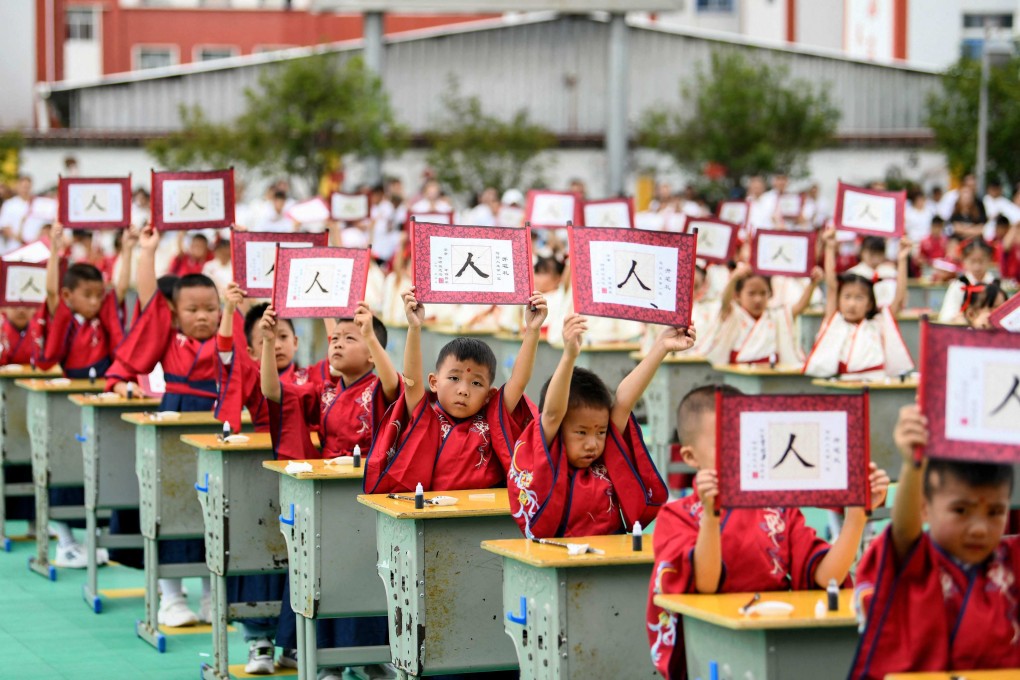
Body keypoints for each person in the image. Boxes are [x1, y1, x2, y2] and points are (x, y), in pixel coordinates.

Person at [646, 385, 889, 680]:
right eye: (726, 445)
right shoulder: (678, 516)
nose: (740, 454)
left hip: (779, 638)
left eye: (749, 443)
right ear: (690, 456)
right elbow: (706, 585)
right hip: (716, 644)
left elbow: (827, 577)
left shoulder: (779, 508)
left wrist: (856, 514)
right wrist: (711, 517)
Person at [260, 303, 399, 679]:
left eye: (348, 338)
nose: (336, 344)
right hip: (329, 496)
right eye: (333, 338)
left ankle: (373, 654)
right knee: (328, 573)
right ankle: (329, 662)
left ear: (373, 352)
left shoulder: (382, 388)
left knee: (367, 572)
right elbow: (274, 393)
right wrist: (267, 343)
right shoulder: (324, 389)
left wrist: (369, 332)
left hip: (371, 495)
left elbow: (394, 385)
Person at [104, 226, 226, 628]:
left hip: (218, 423)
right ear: (174, 313)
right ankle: (171, 597)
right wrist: (147, 250)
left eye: (211, 308)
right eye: (192, 310)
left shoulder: (229, 338)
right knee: (170, 503)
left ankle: (213, 595)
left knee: (215, 509)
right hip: (173, 421)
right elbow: (148, 298)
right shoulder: (167, 333)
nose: (203, 316)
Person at [848, 406, 1020, 678]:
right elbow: (903, 531)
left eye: (995, 512)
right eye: (960, 510)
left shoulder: (1011, 562)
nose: (979, 528)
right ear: (925, 508)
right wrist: (913, 463)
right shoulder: (916, 561)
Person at [507, 315, 685, 538]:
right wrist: (569, 356)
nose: (593, 444)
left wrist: (661, 347)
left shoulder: (605, 454)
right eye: (581, 433)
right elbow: (552, 413)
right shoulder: (548, 451)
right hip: (558, 558)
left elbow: (623, 402)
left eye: (600, 432)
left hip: (610, 557)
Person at [363, 286, 546, 493]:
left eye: (476, 383)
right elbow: (411, 379)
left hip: (485, 513)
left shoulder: (493, 418)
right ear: (433, 382)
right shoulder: (426, 419)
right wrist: (414, 328)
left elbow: (518, 381)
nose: (463, 390)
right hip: (436, 513)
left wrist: (532, 330)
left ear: (489, 395)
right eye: (454, 378)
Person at [803, 229, 913, 380]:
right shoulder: (834, 321)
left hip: (875, 385)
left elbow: (899, 295)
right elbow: (831, 286)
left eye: (859, 298)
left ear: (869, 304)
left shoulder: (878, 323)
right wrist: (829, 247)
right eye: (847, 297)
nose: (852, 304)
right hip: (843, 387)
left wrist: (902, 259)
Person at [705, 262, 814, 367]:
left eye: (763, 293)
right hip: (738, 370)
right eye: (751, 293)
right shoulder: (734, 314)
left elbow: (800, 306)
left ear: (770, 294)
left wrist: (813, 283)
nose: (758, 299)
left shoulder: (775, 316)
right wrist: (734, 278)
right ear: (738, 295)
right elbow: (725, 302)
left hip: (769, 371)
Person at [937, 237, 999, 323]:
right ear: (964, 261)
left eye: (981, 261)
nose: (977, 267)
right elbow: (946, 316)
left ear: (989, 260)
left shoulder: (995, 284)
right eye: (972, 261)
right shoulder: (959, 285)